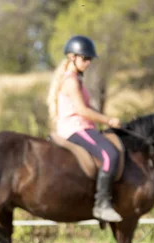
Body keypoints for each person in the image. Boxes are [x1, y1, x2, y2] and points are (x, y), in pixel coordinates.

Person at [47, 35, 123, 222]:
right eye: (85, 58)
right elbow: (82, 110)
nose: (88, 63)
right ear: (72, 57)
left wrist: (108, 121)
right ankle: (102, 204)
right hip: (75, 129)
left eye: (89, 59)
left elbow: (88, 108)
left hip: (83, 127)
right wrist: (108, 121)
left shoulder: (76, 80)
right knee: (110, 155)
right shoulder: (71, 81)